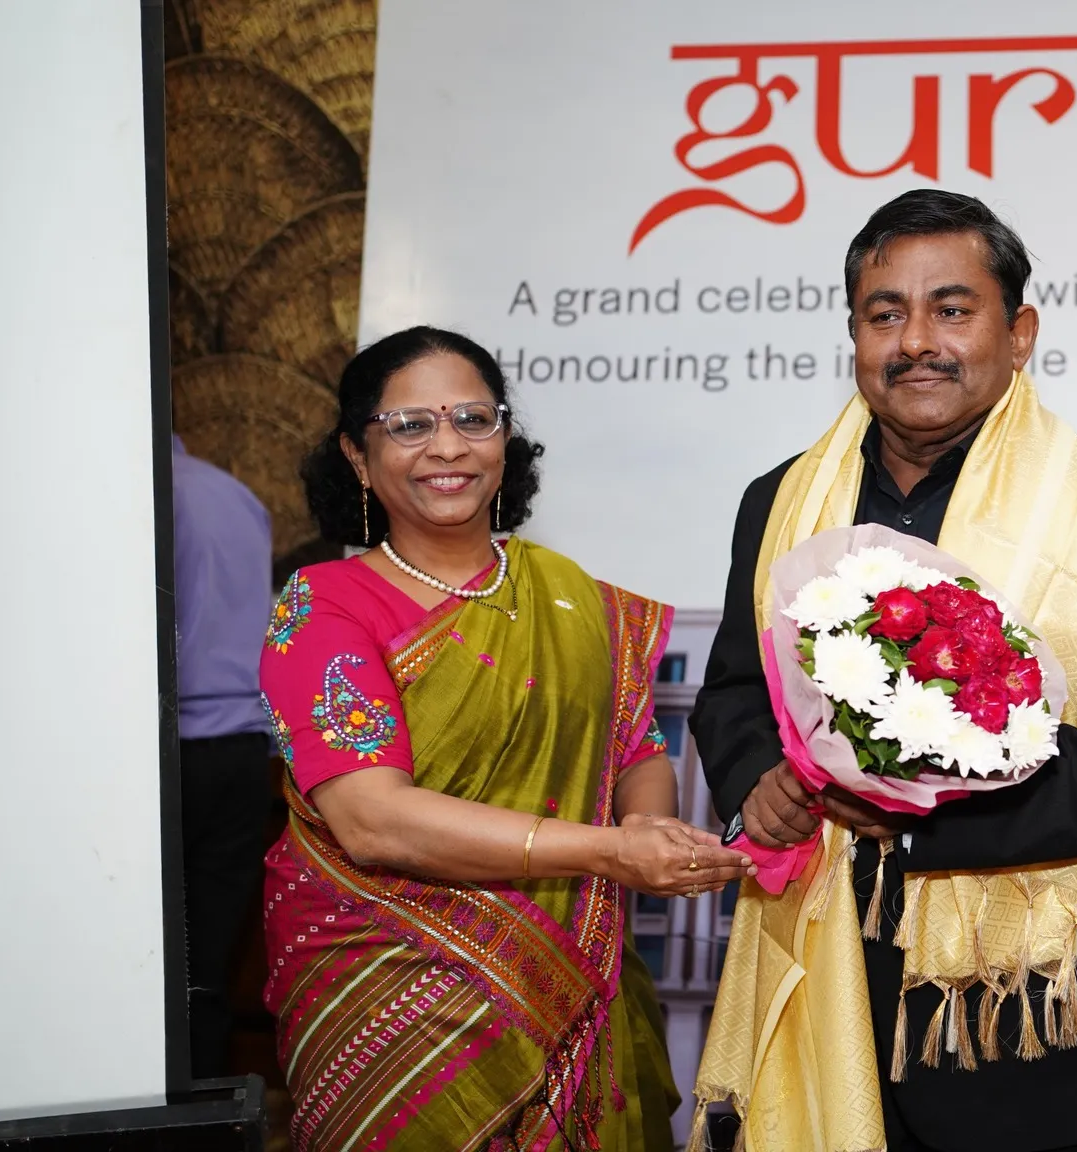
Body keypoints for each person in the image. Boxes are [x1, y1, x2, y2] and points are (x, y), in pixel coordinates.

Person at [689, 190, 1077, 1152]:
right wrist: (757, 783)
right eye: (884, 314)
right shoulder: (779, 502)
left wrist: (925, 812)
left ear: (1019, 333)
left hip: (1026, 1033)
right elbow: (734, 690)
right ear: (854, 335)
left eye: (951, 309)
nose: (915, 342)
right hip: (813, 981)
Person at [259, 326, 752, 1151]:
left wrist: (646, 826)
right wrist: (609, 852)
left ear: (505, 437)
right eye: (410, 425)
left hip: (569, 974)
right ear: (357, 455)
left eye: (473, 419)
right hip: (390, 999)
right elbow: (371, 820)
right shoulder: (325, 605)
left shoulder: (570, 596)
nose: (448, 446)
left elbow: (635, 749)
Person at [172, 434, 275, 1079]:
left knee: (142, 963)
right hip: (243, 751)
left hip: (167, 750)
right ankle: (204, 1114)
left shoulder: (142, 496)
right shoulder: (235, 494)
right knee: (205, 968)